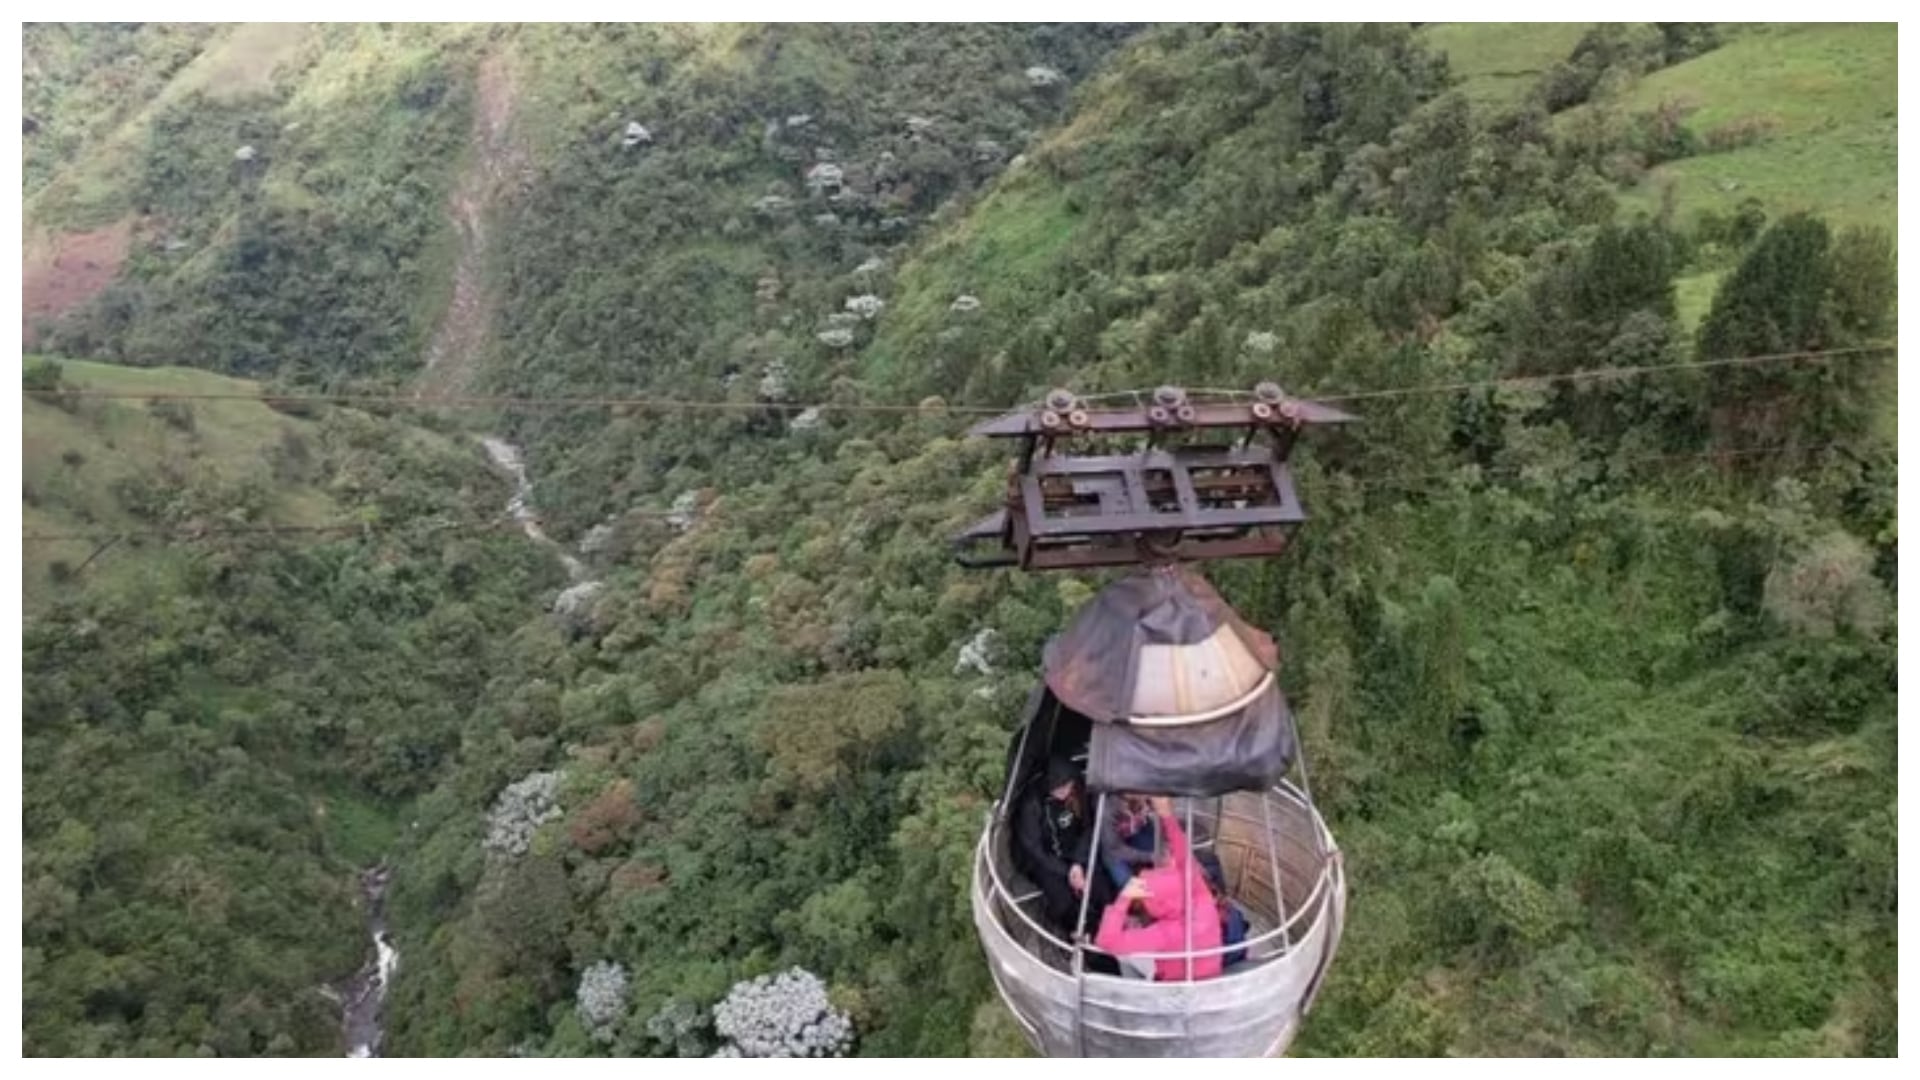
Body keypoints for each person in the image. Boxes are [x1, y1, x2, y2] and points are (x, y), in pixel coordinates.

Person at [1093, 796, 1223, 982]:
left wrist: (1124, 899)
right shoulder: (1200, 895)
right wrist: (1167, 816)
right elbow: (1183, 855)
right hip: (1209, 974)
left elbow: (1106, 942)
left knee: (1124, 955)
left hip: (1175, 985)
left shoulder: (1163, 933)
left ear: (1158, 905)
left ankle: (1136, 986)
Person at [1011, 757, 1113, 938]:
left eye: (1068, 786)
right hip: (1047, 859)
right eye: (1059, 788)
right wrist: (1066, 871)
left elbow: (1087, 827)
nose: (1065, 791)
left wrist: (1078, 862)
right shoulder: (1032, 805)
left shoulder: (1077, 792)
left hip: (1075, 851)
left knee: (1101, 887)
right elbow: (1034, 849)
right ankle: (1077, 930)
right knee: (1062, 901)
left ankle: (1110, 923)